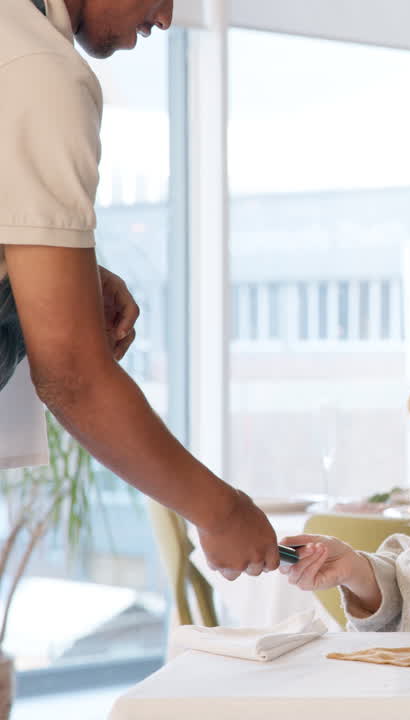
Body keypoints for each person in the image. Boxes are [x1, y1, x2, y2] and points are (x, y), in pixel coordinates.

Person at [0, 0, 278, 579]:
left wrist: (54, 277)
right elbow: (71, 375)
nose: (169, 17)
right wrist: (223, 512)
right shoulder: (40, 71)